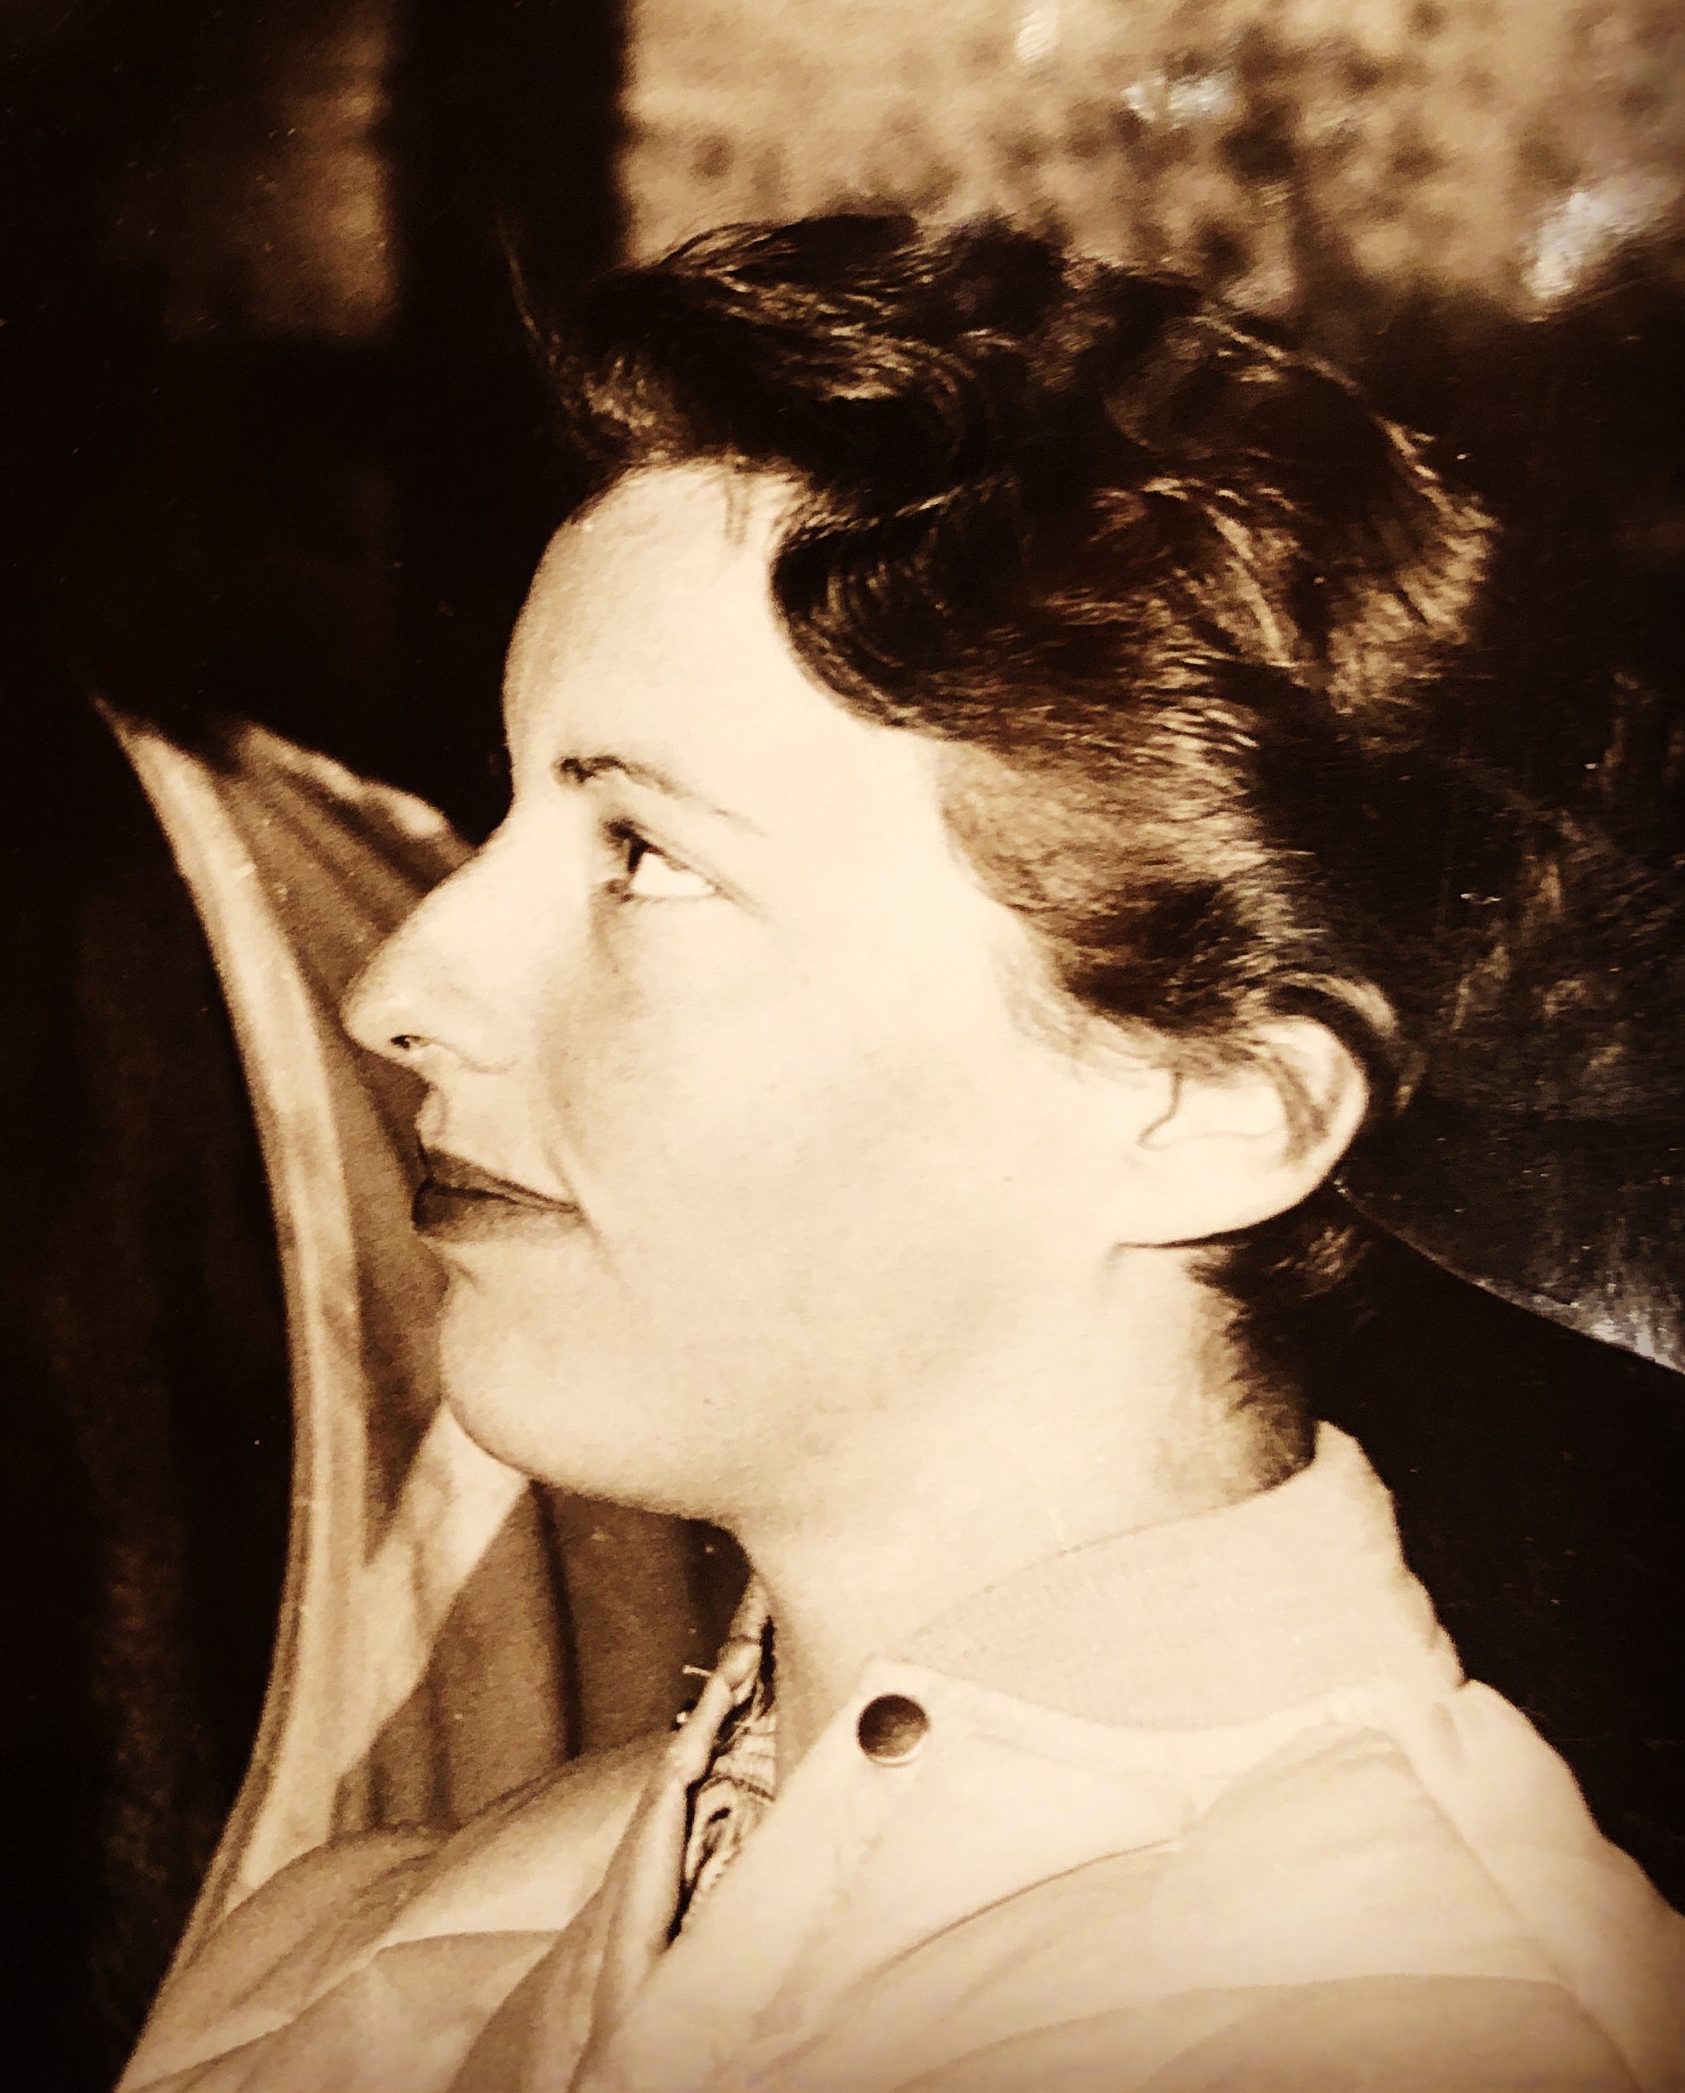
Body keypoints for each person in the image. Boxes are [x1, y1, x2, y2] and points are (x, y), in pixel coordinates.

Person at [125, 216, 1685, 2093]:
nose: (399, 983)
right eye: (509, 811)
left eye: (645, 856)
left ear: (1208, 1112)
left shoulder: (1409, 2034)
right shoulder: (351, 1950)